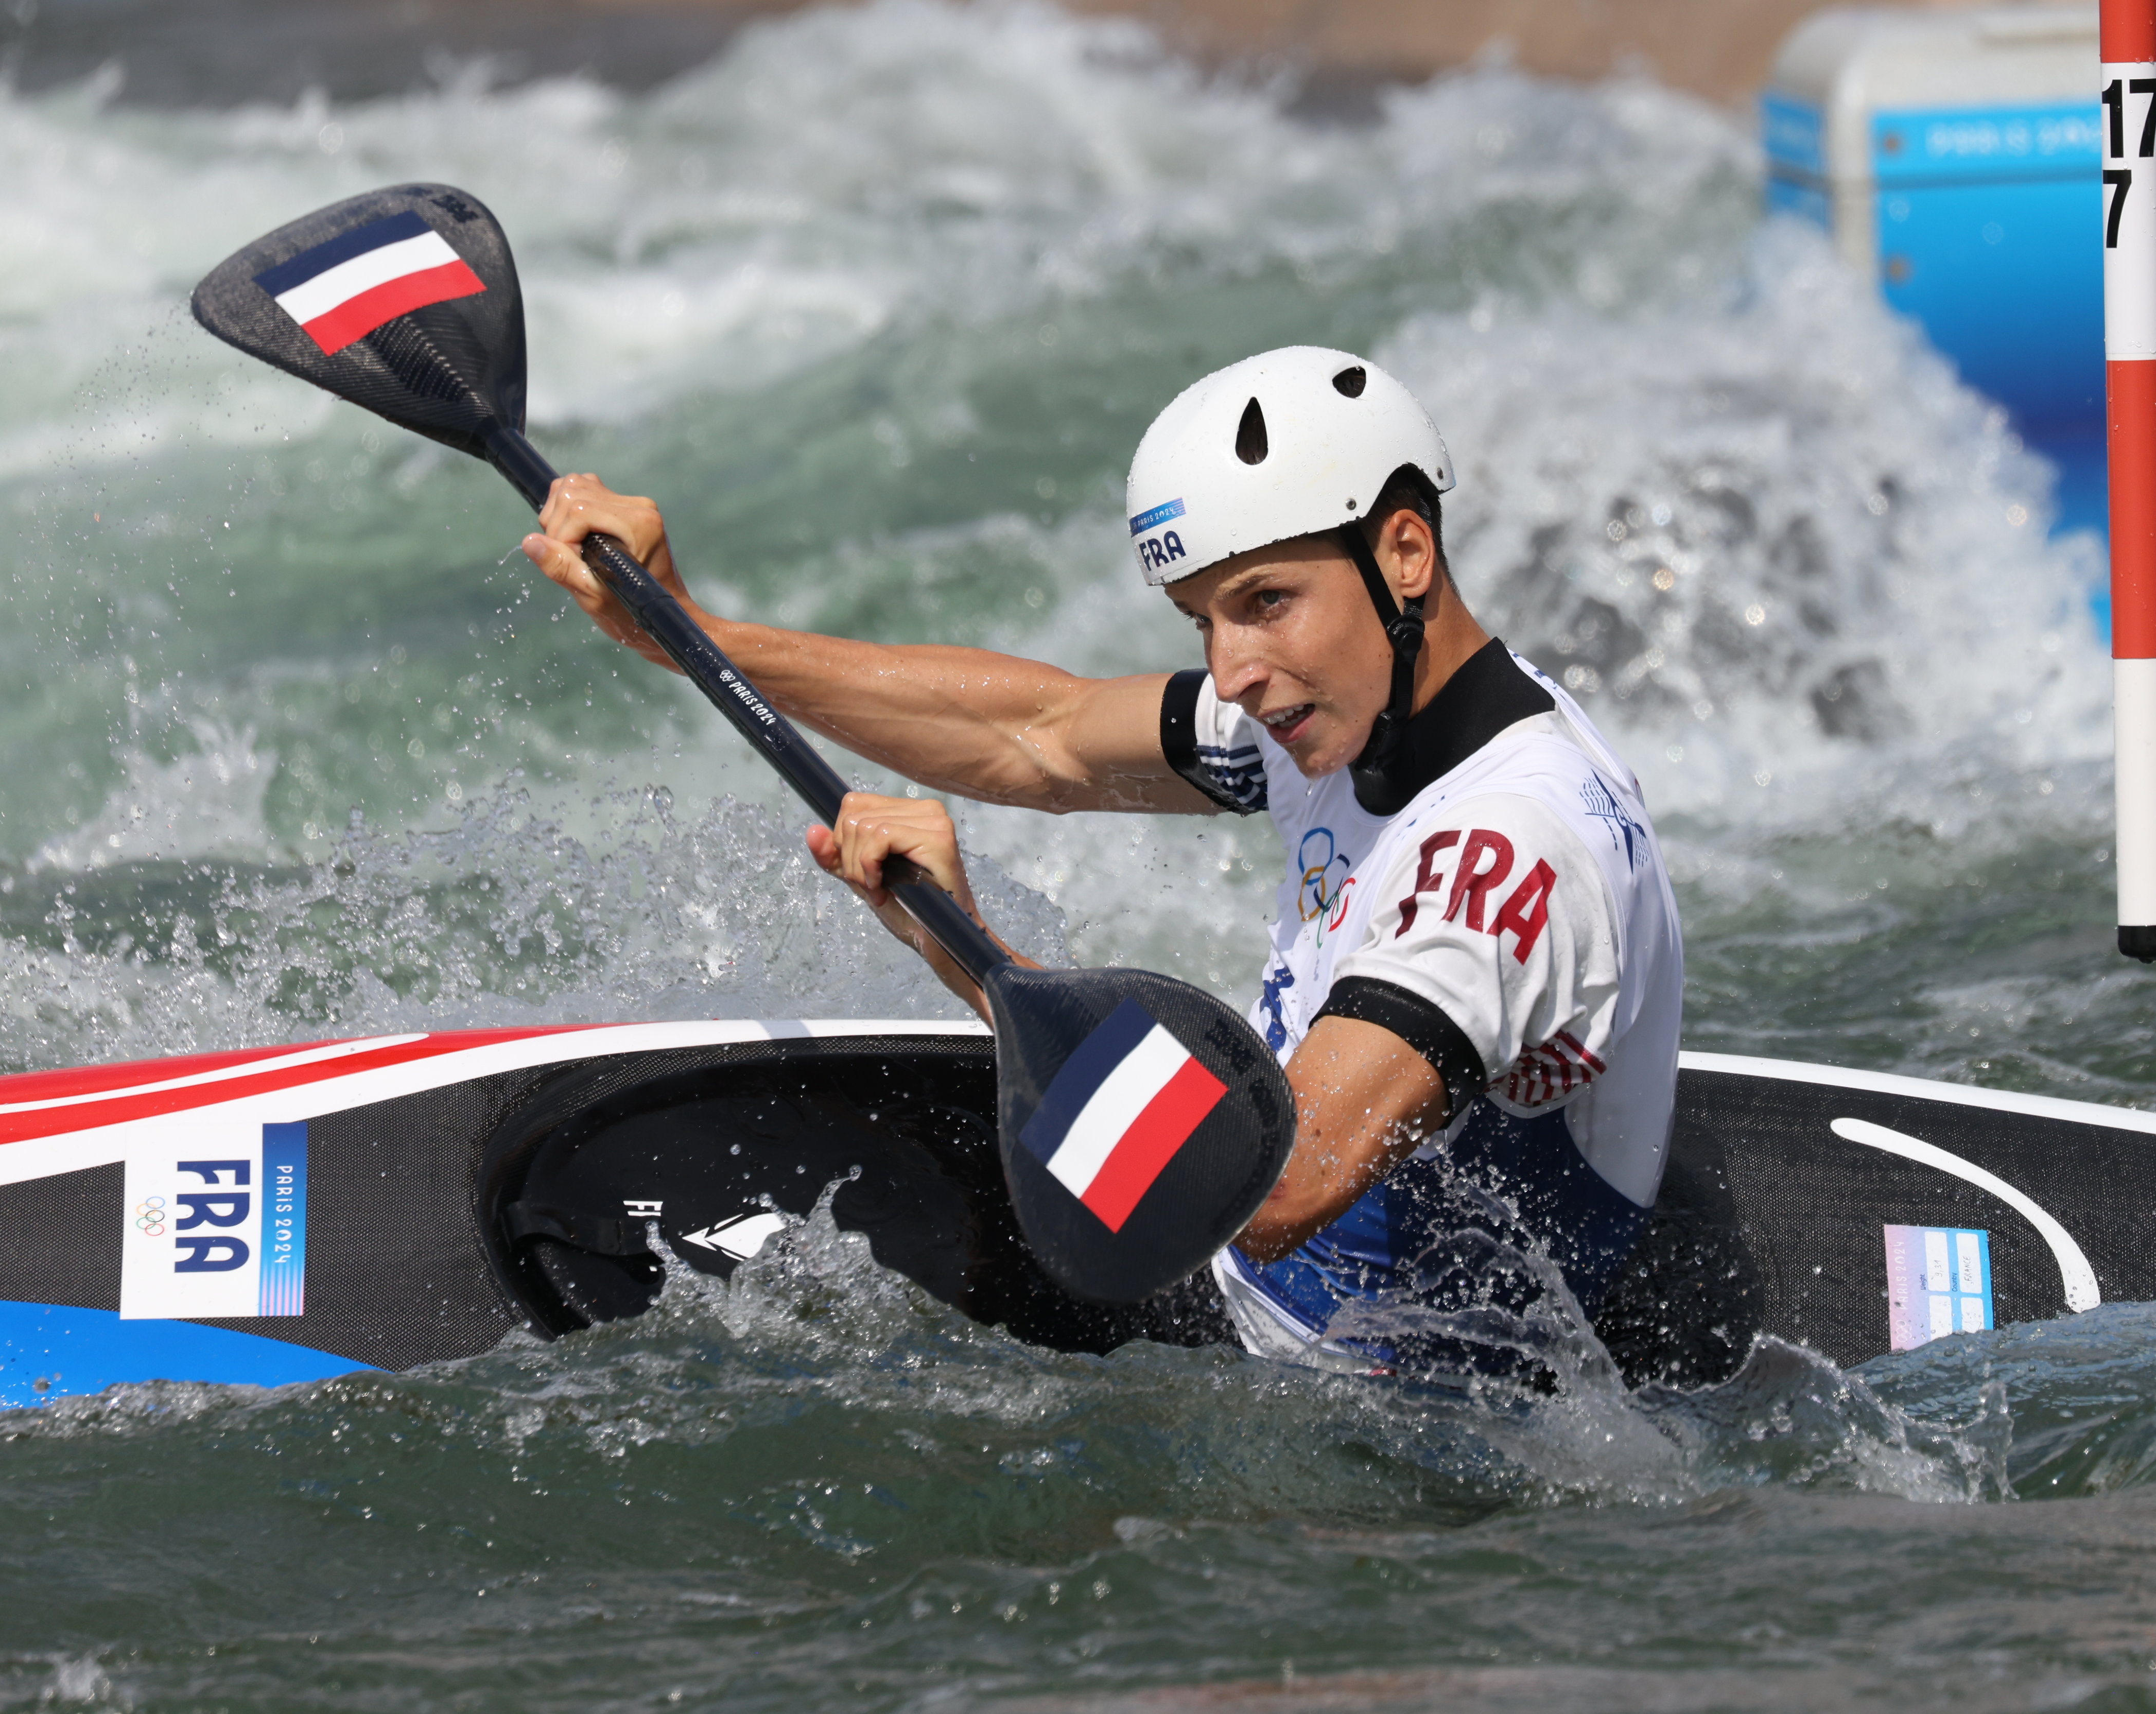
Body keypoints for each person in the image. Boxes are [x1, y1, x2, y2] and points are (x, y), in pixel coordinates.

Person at [522, 346, 1683, 1377]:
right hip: (1237, 1296)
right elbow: (1042, 738)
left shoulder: (1507, 850)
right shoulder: (1352, 702)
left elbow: (1274, 1189)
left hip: (1339, 1395)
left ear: (1404, 551)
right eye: (1202, 622)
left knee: (644, 1219)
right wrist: (692, 636)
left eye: (1264, 603)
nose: (1231, 672)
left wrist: (974, 963)